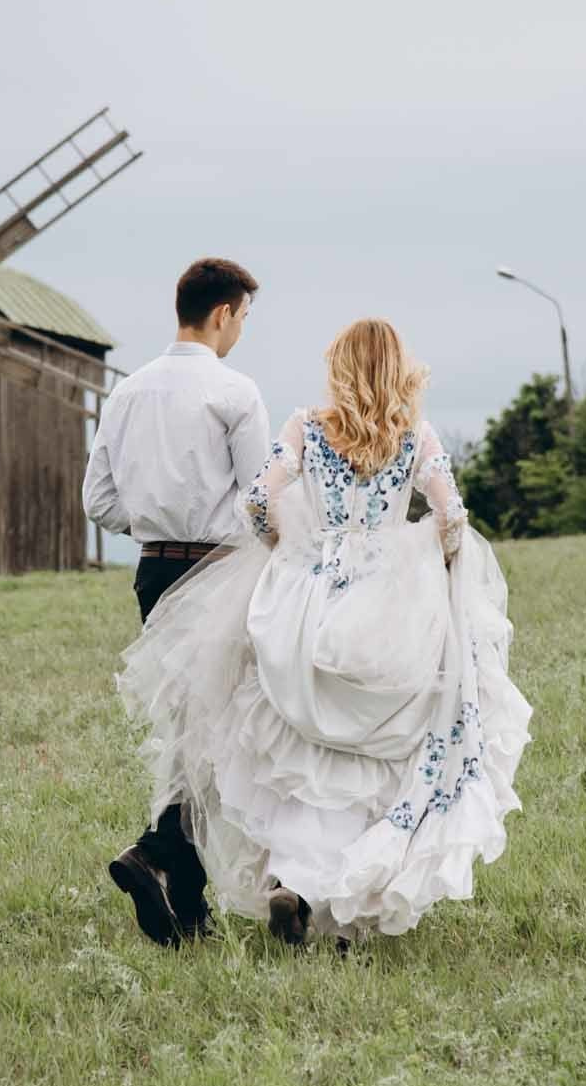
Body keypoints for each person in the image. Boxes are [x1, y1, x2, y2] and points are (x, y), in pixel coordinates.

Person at [117, 318, 530, 946]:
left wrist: (286, 547)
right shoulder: (415, 438)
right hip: (389, 605)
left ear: (339, 369)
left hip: (310, 596)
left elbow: (258, 501)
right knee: (376, 753)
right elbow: (451, 514)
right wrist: (435, 562)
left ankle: (293, 880)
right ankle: (335, 897)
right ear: (399, 371)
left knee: (300, 746)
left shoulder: (306, 428)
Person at [84, 256, 269, 946]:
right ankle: (155, 852)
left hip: (154, 571)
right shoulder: (235, 392)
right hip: (218, 573)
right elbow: (261, 499)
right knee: (221, 733)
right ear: (223, 313)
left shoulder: (127, 392)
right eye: (243, 317)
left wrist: (153, 522)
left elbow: (97, 500)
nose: (241, 330)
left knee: (188, 729)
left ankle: (187, 908)